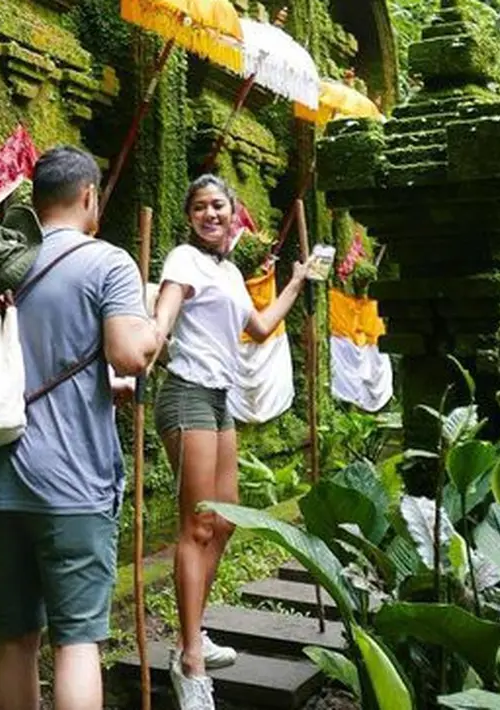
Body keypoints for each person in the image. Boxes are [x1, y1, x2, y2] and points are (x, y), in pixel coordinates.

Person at [0, 145, 160, 710]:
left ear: (36, 200)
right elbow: (128, 354)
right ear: (88, 196)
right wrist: (156, 326)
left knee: (13, 640)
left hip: (1, 478)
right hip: (73, 483)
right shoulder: (108, 262)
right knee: (76, 641)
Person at [152, 174, 310, 709]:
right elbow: (165, 312)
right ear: (189, 217)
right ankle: (191, 661)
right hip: (186, 395)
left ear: (234, 211)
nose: (209, 214)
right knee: (196, 524)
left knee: (225, 520)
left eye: (217, 205)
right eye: (199, 207)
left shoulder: (230, 272)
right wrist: (153, 338)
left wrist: (296, 282)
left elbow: (259, 327)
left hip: (220, 401)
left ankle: (188, 637)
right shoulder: (183, 260)